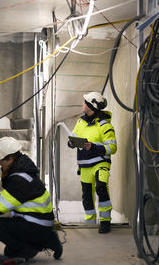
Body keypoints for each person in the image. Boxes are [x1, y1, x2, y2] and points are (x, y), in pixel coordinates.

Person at [0, 136, 63, 260]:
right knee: (10, 251)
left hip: (35, 226)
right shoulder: (23, 173)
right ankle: (48, 239)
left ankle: (29, 248)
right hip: (42, 224)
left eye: (0, 160)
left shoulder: (19, 180)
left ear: (10, 159)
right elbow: (14, 199)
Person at [68, 92, 117, 233]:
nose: (82, 105)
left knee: (101, 188)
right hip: (84, 165)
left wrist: (93, 147)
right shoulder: (80, 122)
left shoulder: (105, 125)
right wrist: (71, 143)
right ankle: (90, 221)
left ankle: (105, 221)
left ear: (90, 106)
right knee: (87, 194)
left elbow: (112, 148)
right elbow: (72, 139)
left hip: (101, 163)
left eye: (84, 102)